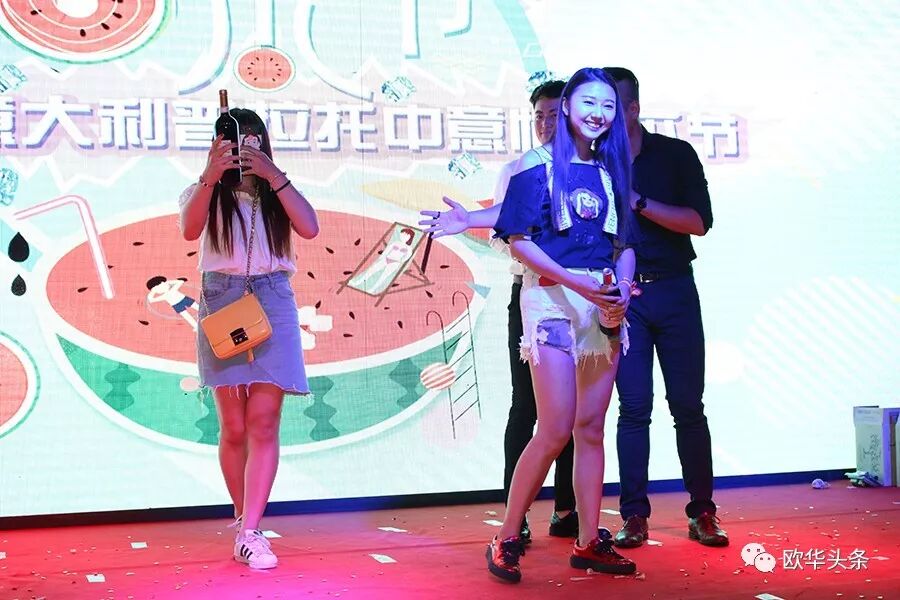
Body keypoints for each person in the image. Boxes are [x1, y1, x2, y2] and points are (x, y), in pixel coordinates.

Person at [484, 67, 637, 583]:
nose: (599, 113)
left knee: (590, 427)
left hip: (601, 303)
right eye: (589, 102)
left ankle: (589, 539)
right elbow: (518, 241)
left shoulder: (612, 169)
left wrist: (621, 289)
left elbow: (626, 244)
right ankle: (507, 535)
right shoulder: (536, 165)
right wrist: (577, 283)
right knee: (553, 429)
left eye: (608, 105)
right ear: (568, 105)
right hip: (550, 301)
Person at [419, 80, 578, 542]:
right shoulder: (519, 168)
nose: (546, 124)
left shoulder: (591, 169)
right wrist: (474, 220)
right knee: (527, 405)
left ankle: (568, 508)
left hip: (583, 299)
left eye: (554, 114)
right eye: (539, 116)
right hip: (531, 294)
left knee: (575, 412)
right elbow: (506, 229)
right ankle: (517, 513)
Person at [178, 108, 319, 569]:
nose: (245, 147)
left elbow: (310, 227)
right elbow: (190, 229)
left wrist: (273, 175)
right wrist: (210, 174)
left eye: (254, 137)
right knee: (234, 426)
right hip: (222, 298)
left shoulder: (278, 190)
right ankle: (244, 521)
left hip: (273, 298)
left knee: (264, 420)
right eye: (236, 139)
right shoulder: (205, 190)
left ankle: (252, 530)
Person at [602, 67, 728, 548]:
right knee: (633, 409)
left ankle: (703, 511)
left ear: (633, 108)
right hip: (624, 299)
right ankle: (634, 515)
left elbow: (699, 222)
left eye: (613, 106)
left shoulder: (675, 154)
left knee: (688, 406)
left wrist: (637, 202)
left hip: (675, 292)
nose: (603, 116)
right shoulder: (592, 161)